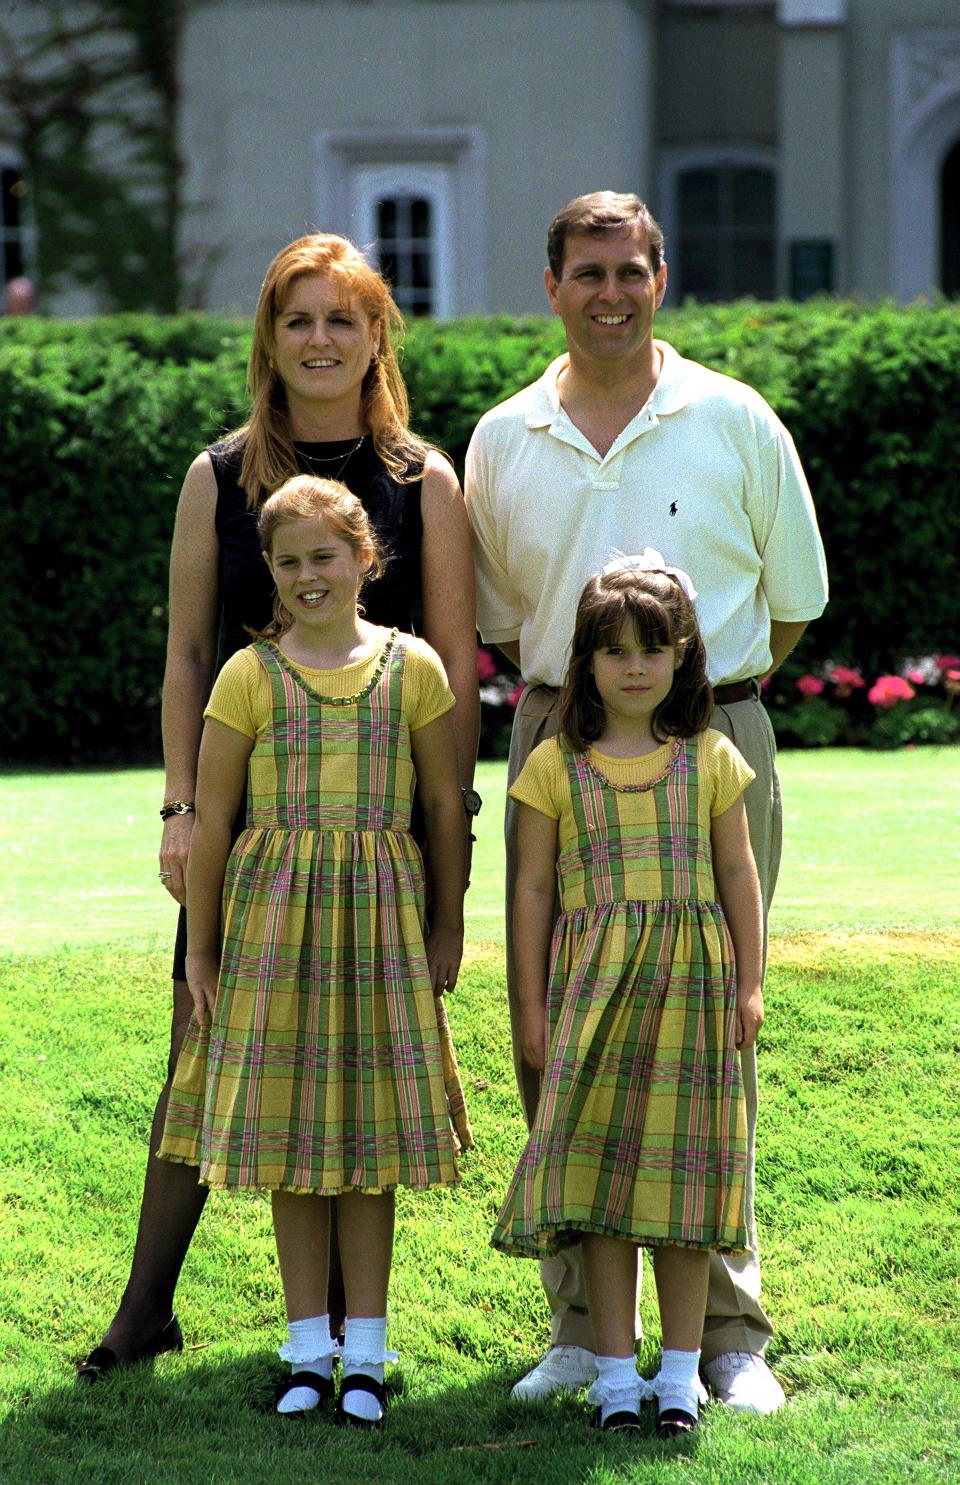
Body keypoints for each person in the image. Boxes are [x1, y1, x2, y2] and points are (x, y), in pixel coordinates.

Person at [78, 233, 479, 1380]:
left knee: (353, 1067)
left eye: (341, 320)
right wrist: (179, 811)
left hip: (376, 840)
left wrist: (452, 849)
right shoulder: (217, 476)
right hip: (247, 846)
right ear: (269, 336)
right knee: (201, 1051)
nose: (319, 340)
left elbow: (453, 670)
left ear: (375, 338)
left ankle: (350, 1345)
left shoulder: (422, 480)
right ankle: (144, 1312)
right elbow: (189, 653)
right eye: (297, 319)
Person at [467, 190, 828, 1413]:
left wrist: (695, 700)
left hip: (714, 733)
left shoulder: (731, 416)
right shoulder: (506, 434)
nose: (610, 292)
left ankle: (725, 1336)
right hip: (560, 743)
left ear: (661, 277)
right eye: (587, 272)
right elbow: (508, 618)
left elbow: (792, 599)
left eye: (631, 270)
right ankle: (587, 1330)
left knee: (711, 1043)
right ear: (553, 284)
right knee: (564, 1038)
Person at [158, 474, 470, 1424]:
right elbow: (212, 825)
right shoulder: (248, 674)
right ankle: (306, 1349)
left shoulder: (413, 667)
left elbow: (443, 808)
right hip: (274, 934)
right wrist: (201, 951)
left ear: (366, 557)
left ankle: (366, 1349)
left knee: (367, 1146)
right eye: (287, 561)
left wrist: (449, 922)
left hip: (380, 932)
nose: (306, 575)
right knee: (294, 1146)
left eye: (324, 556)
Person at [491, 560, 762, 1437]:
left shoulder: (711, 758)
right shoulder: (553, 766)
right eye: (614, 651)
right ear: (586, 661)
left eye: (654, 649)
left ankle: (679, 1377)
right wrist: (530, 1007)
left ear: (684, 656)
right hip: (591, 1005)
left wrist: (749, 983)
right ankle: (614, 1374)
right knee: (603, 1194)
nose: (635, 668)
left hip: (690, 1000)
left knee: (683, 1202)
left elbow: (737, 875)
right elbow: (531, 890)